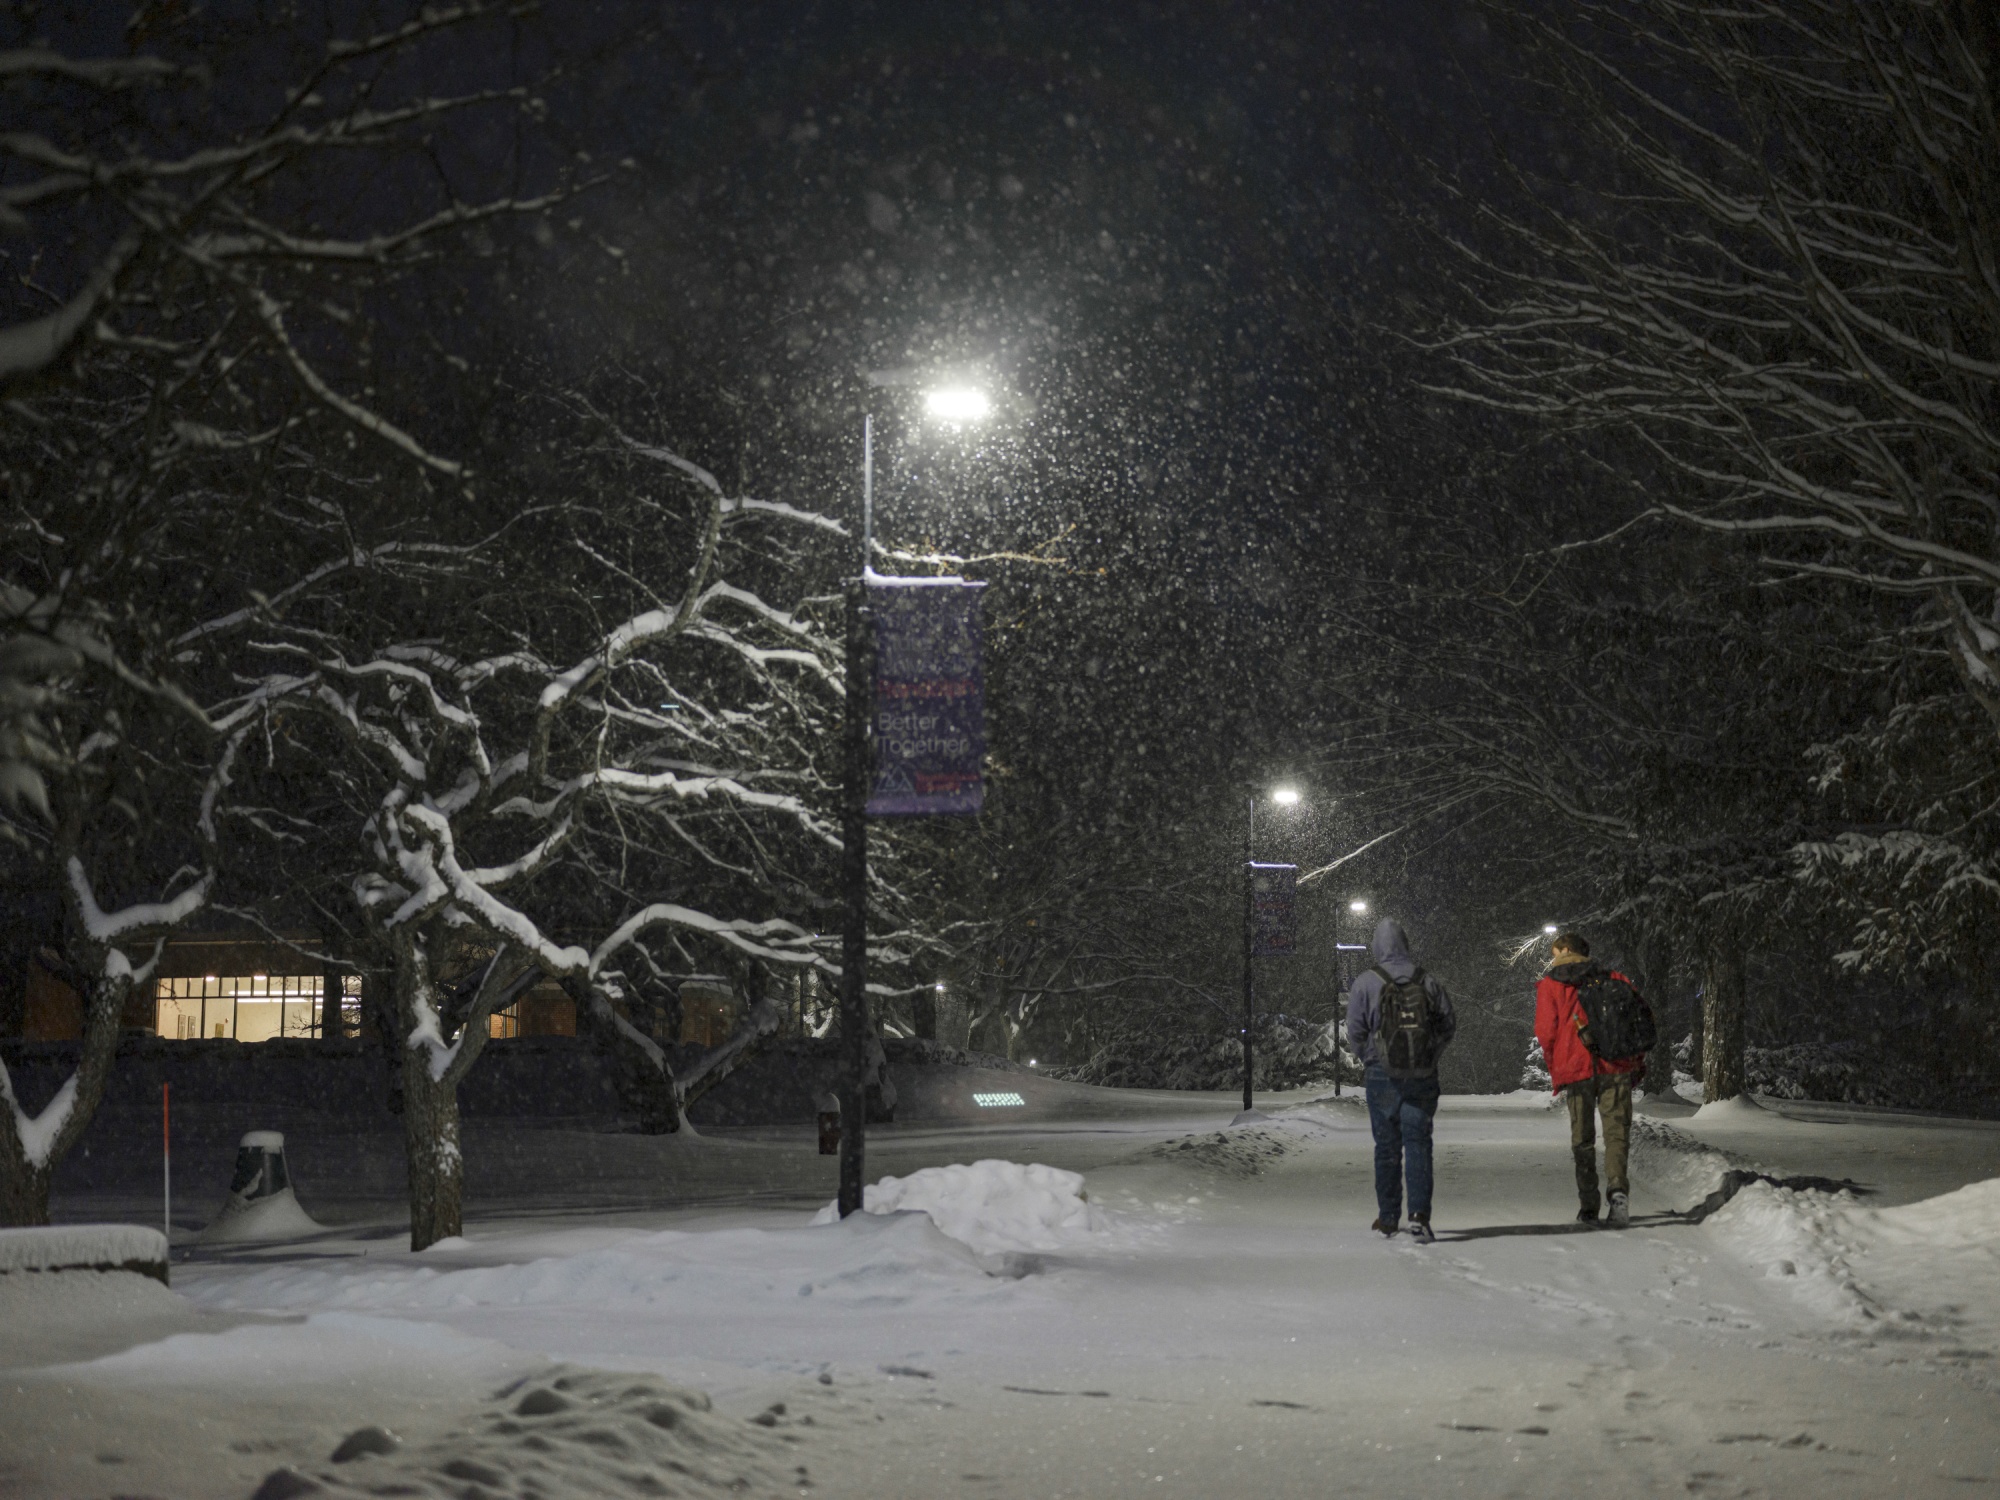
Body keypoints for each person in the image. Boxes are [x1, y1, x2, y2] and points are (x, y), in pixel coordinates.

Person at [1346, 917, 1457, 1243]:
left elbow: (1355, 1031)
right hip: (1422, 1075)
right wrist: (1429, 1054)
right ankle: (1420, 1216)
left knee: (1386, 1148)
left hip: (1382, 1076)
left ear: (1377, 946)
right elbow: (1447, 1024)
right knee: (1419, 1144)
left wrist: (1371, 1057)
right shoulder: (1427, 981)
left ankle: (1389, 1217)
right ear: (1406, 944)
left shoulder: (1366, 982)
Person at [1534, 932, 1644, 1226]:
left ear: (1566, 949)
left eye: (1554, 952)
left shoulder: (1551, 985)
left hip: (1575, 1069)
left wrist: (1556, 1066)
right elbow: (1637, 1022)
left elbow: (1546, 1032)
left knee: (1582, 1140)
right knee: (1616, 1134)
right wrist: (1634, 1063)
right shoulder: (1614, 979)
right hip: (1616, 1066)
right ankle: (1618, 1193)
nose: (1552, 959)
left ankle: (1588, 1206)